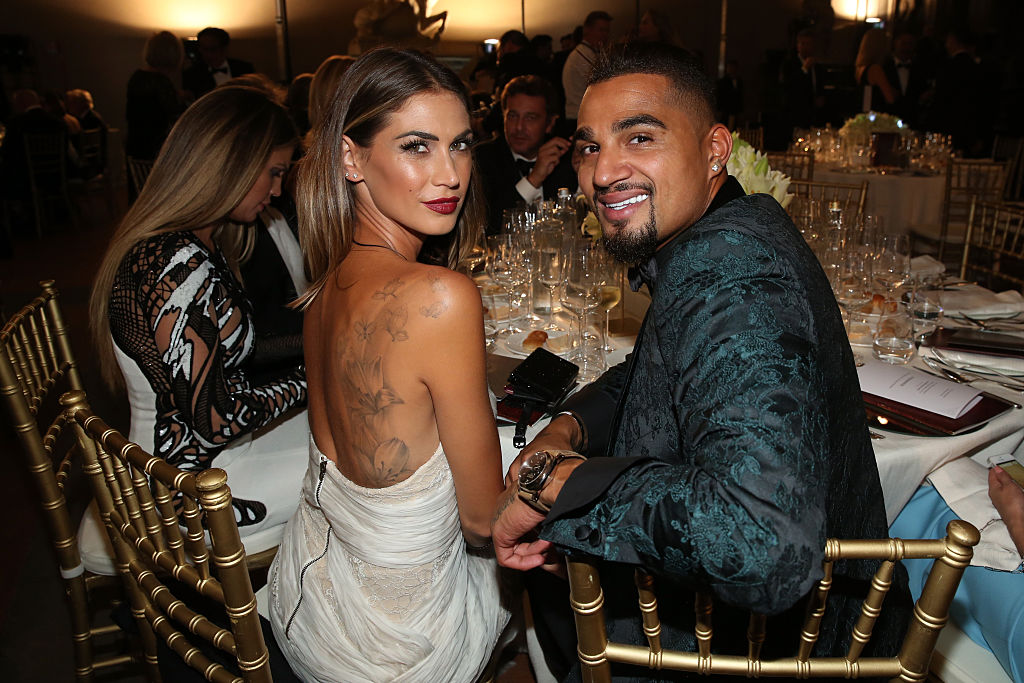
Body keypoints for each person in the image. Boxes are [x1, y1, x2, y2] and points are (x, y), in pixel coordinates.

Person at [492, 42, 909, 680]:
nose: (604, 172)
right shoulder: (728, 229)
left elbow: (758, 542)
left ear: (715, 149)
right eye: (590, 146)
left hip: (744, 653)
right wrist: (569, 427)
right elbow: (661, 366)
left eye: (639, 137)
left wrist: (553, 484)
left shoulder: (731, 273)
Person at [268, 48, 510, 682]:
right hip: (408, 643)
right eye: (416, 147)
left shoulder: (323, 291)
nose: (450, 174)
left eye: (460, 146)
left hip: (316, 603)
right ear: (352, 158)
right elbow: (484, 518)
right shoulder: (441, 297)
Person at [87, 86, 308, 561]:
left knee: (365, 439)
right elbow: (215, 420)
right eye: (273, 172)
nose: (276, 190)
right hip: (186, 490)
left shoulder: (196, 243)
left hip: (213, 463)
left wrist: (322, 340)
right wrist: (316, 378)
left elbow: (241, 352)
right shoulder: (173, 265)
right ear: (230, 163)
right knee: (382, 468)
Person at [475, 75, 577, 233]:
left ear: (549, 124)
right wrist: (534, 179)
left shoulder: (565, 157)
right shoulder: (482, 158)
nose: (519, 127)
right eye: (513, 116)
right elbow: (489, 227)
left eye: (530, 118)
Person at [124, 30, 186, 165]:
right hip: (156, 152)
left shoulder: (137, 77)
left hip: (136, 148)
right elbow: (176, 117)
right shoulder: (161, 82)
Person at [561, 11, 612, 132]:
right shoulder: (583, 55)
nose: (605, 35)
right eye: (601, 30)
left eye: (607, 31)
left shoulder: (587, 52)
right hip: (578, 118)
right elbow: (602, 86)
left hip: (578, 116)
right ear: (587, 30)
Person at [182, 26, 255, 101]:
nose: (208, 54)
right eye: (204, 49)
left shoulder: (244, 68)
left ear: (224, 48)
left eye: (213, 49)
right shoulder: (192, 74)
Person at [780, 28, 826, 131]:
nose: (806, 47)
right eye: (803, 44)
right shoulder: (789, 64)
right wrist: (804, 69)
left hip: (813, 113)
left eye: (809, 44)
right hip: (795, 112)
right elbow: (788, 85)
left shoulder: (817, 66)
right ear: (798, 46)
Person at [883, 31, 927, 128]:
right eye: (903, 44)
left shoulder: (920, 68)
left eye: (910, 44)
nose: (906, 48)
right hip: (887, 120)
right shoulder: (883, 67)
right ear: (895, 44)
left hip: (912, 121)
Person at [855, 28, 899, 113]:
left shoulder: (860, 68)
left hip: (864, 113)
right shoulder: (875, 69)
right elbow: (890, 99)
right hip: (875, 116)